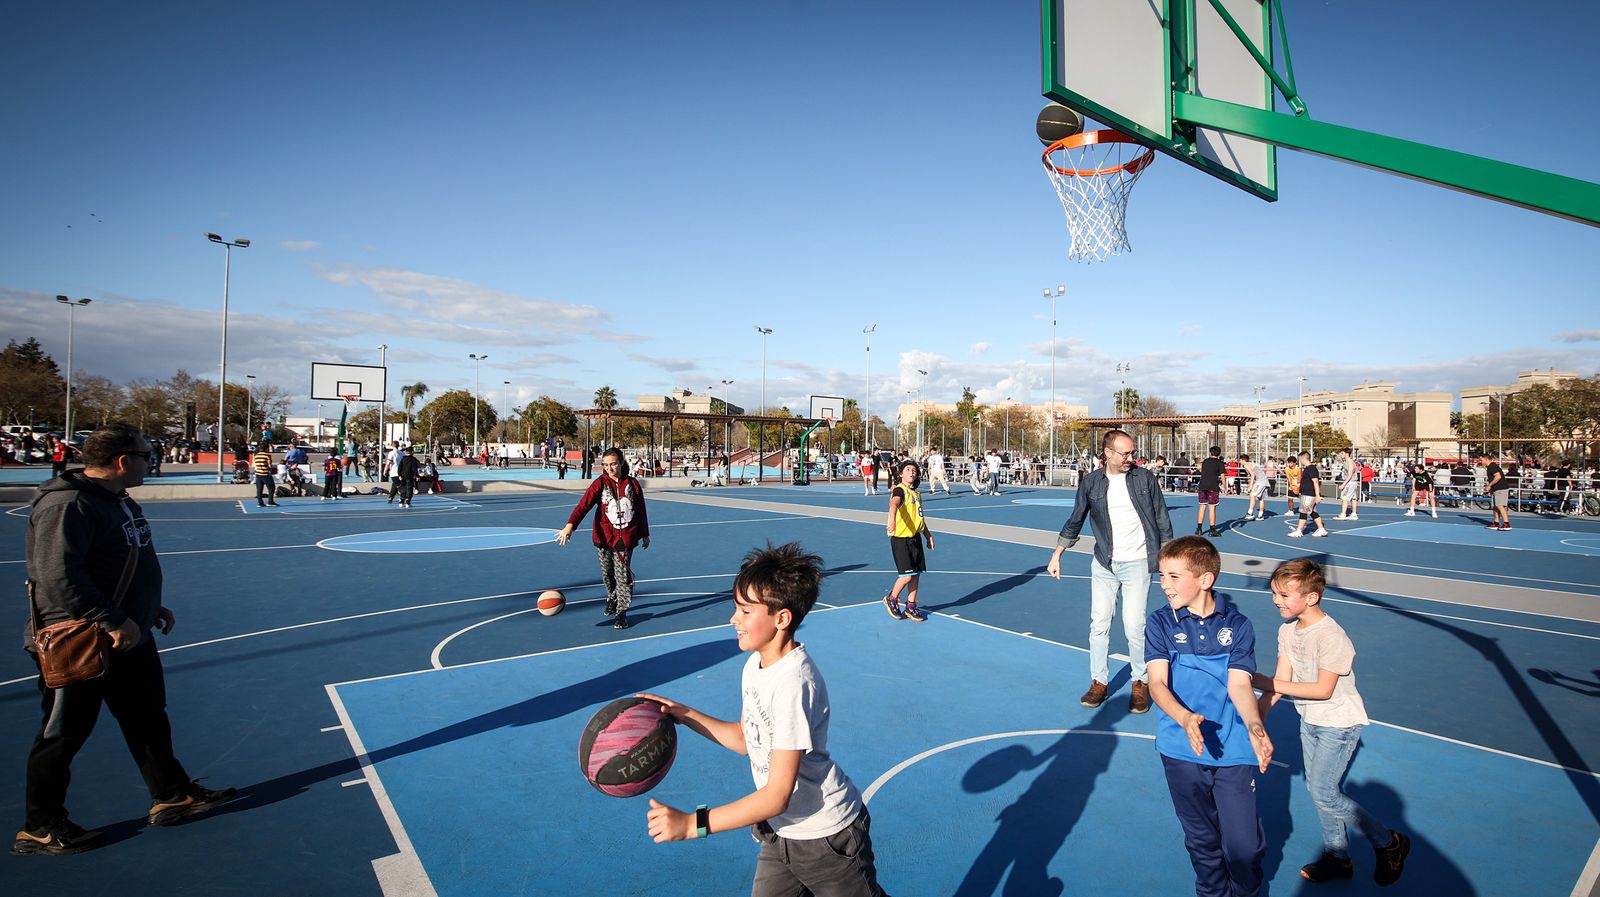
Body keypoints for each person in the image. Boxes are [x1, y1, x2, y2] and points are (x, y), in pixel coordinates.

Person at [15, 424, 235, 856]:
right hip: (81, 641)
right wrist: (111, 619)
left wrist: (148, 607)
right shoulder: (68, 505)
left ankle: (171, 794)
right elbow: (58, 578)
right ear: (122, 460)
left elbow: (120, 563)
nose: (149, 461)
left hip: (128, 633)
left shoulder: (115, 500)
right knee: (62, 733)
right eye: (144, 454)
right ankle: (39, 826)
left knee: (147, 717)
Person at [637, 543, 889, 897]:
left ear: (781, 618)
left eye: (744, 610)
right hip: (779, 834)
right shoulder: (756, 665)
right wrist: (686, 714)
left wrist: (693, 825)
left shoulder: (793, 683)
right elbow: (746, 738)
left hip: (826, 840)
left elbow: (776, 795)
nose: (733, 619)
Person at [1252, 558, 1411, 885]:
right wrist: (1256, 721)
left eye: (1283, 595)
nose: (1275, 600)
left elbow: (1323, 690)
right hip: (1309, 720)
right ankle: (1338, 858)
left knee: (1324, 792)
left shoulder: (1331, 635)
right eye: (1274, 593)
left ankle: (1389, 843)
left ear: (1311, 597)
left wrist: (1264, 683)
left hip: (1338, 723)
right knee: (1319, 789)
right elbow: (1282, 681)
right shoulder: (1287, 630)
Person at [1145, 535, 1273, 897]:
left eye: (1173, 576)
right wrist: (1185, 718)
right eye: (1161, 576)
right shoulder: (1160, 624)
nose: (1164, 585)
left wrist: (1253, 725)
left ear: (1205, 579)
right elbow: (1156, 684)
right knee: (1202, 841)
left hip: (1232, 749)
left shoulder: (1239, 626)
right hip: (1180, 748)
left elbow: (1240, 686)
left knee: (1244, 847)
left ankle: (1246, 892)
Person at [1048, 429, 1172, 713]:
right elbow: (1076, 518)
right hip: (1104, 563)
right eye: (1125, 453)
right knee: (1099, 624)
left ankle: (1140, 682)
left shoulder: (1145, 479)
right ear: (1108, 453)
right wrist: (1057, 554)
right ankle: (1099, 681)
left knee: (1134, 626)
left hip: (1139, 562)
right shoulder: (1092, 483)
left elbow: (1162, 520)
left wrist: (1167, 564)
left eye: (1132, 452)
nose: (1131, 458)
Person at [556, 448, 650, 629]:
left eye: (613, 464)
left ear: (621, 462)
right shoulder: (599, 483)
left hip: (626, 538)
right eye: (606, 465)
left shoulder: (633, 484)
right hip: (603, 538)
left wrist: (645, 534)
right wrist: (570, 526)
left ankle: (622, 612)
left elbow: (641, 510)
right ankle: (612, 596)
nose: (609, 468)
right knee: (607, 574)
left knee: (622, 576)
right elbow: (583, 505)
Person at [882, 460, 935, 623]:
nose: (912, 472)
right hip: (901, 538)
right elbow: (893, 504)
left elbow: (920, 518)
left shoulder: (917, 494)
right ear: (901, 474)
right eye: (908, 469)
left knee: (916, 574)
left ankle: (911, 605)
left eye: (914, 470)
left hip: (915, 538)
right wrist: (891, 520)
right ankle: (891, 598)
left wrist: (928, 535)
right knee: (906, 576)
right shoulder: (900, 490)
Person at [1289, 451, 1329, 538]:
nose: (1300, 461)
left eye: (1300, 459)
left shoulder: (1311, 468)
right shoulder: (1308, 469)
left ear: (1303, 458)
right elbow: (1309, 481)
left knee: (1303, 512)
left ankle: (1299, 531)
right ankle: (1321, 529)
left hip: (1309, 494)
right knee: (1312, 512)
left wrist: (1318, 495)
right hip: (1307, 493)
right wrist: (1299, 486)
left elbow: (1315, 482)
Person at [1195, 446, 1224, 536]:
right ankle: (1212, 530)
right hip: (1213, 486)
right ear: (1219, 453)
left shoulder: (1205, 462)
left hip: (1203, 485)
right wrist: (1225, 487)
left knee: (1202, 507)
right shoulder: (1220, 463)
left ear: (1210, 452)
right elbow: (1222, 475)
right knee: (1212, 508)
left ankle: (1199, 529)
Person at [1481, 454, 1512, 531]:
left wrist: (1489, 485)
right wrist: (1491, 489)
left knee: (1500, 505)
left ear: (1486, 459)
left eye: (1482, 460)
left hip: (1501, 489)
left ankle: (1506, 523)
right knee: (1495, 506)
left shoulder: (1492, 466)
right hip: (1495, 489)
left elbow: (1498, 476)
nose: (1481, 462)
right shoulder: (1489, 467)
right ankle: (1496, 522)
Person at [1334, 449, 1361, 520]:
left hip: (1351, 482)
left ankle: (1343, 514)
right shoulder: (1346, 462)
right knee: (1353, 498)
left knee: (1344, 497)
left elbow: (1350, 475)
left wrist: (1344, 484)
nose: (1341, 455)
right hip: (1352, 482)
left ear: (1347, 454)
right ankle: (1354, 514)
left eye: (1342, 453)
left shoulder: (1350, 462)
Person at [1242, 453, 1270, 521]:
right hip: (1264, 481)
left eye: (1240, 460)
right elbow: (1255, 475)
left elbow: (1252, 475)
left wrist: (1250, 486)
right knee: (1260, 498)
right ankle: (1260, 515)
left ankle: (1250, 513)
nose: (1240, 462)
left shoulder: (1246, 465)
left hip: (1260, 481)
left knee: (1252, 495)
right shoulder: (1252, 464)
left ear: (1243, 460)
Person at [252, 443, 278, 507]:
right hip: (265, 473)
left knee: (259, 489)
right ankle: (270, 501)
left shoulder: (256, 455)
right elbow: (269, 465)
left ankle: (260, 502)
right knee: (271, 488)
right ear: (266, 448)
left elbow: (254, 464)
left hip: (258, 473)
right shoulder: (267, 455)